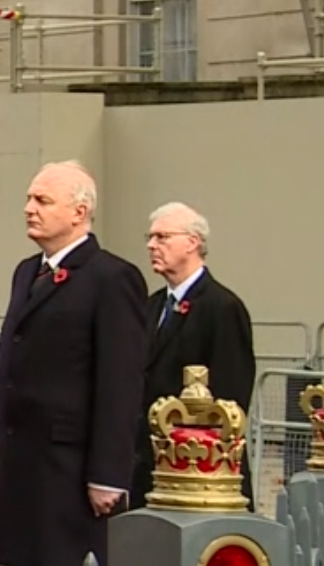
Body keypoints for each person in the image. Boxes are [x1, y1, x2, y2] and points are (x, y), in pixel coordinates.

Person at [0, 161, 147, 566]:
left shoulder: (111, 278)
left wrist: (108, 474)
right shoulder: (27, 272)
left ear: (79, 212)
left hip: (68, 467)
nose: (29, 208)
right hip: (19, 459)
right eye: (28, 199)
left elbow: (119, 382)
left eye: (43, 200)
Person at [131, 201, 257, 510]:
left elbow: (231, 395)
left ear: (192, 242)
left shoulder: (222, 307)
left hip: (199, 470)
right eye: (150, 237)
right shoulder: (151, 306)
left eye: (162, 237)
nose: (151, 245)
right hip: (151, 464)